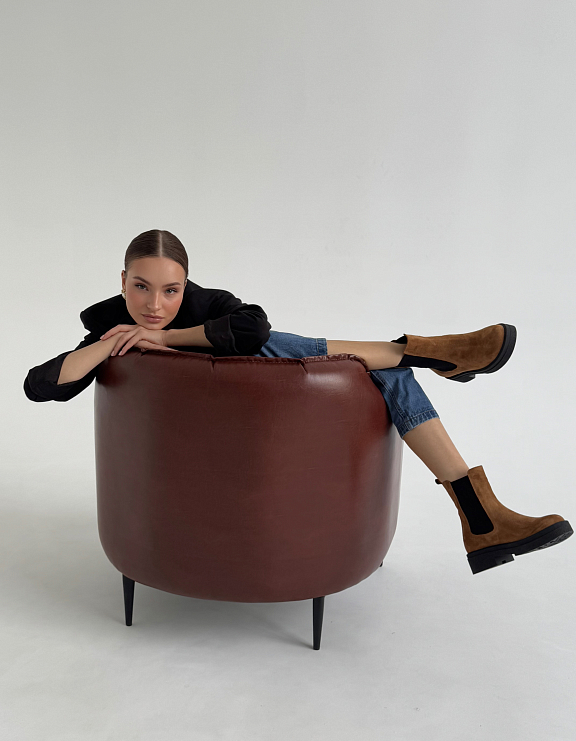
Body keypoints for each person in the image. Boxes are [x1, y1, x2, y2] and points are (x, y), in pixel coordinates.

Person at [24, 229, 573, 575]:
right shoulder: (110, 324)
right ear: (123, 280)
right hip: (209, 448)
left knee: (280, 346)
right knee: (387, 370)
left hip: (256, 419)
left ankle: (476, 505)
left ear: (186, 285)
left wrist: (165, 339)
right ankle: (434, 367)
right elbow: (41, 384)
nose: (154, 304)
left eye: (171, 290)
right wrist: (109, 344)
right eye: (141, 287)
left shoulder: (207, 304)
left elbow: (252, 327)